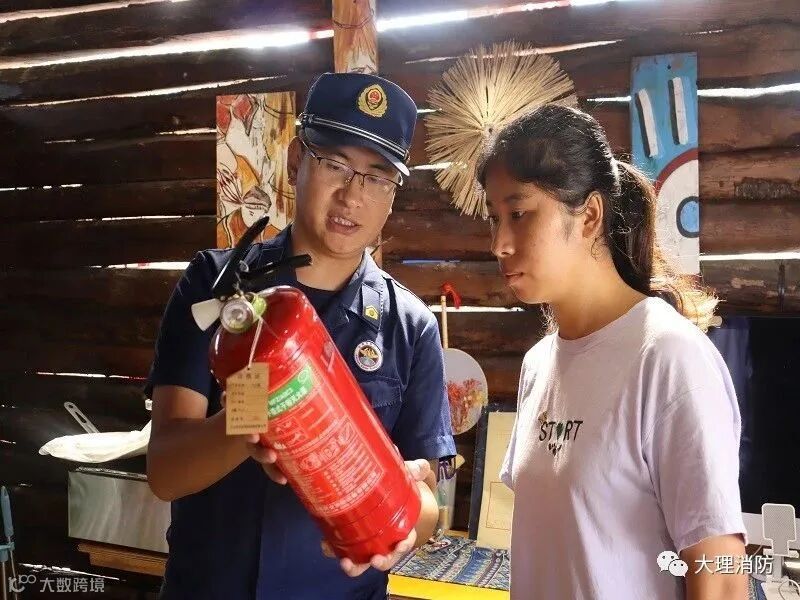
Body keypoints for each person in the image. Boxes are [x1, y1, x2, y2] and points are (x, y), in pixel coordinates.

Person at [145, 72, 456, 600]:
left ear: (393, 195)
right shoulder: (215, 287)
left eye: (378, 177)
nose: (352, 195)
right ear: (296, 162)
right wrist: (252, 419)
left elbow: (428, 505)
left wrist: (399, 511)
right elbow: (166, 473)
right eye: (335, 164)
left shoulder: (410, 327)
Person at [479, 104, 748, 600]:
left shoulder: (668, 358)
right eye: (494, 219)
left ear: (590, 216)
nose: (499, 243)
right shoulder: (539, 364)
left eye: (518, 214)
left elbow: (723, 577)